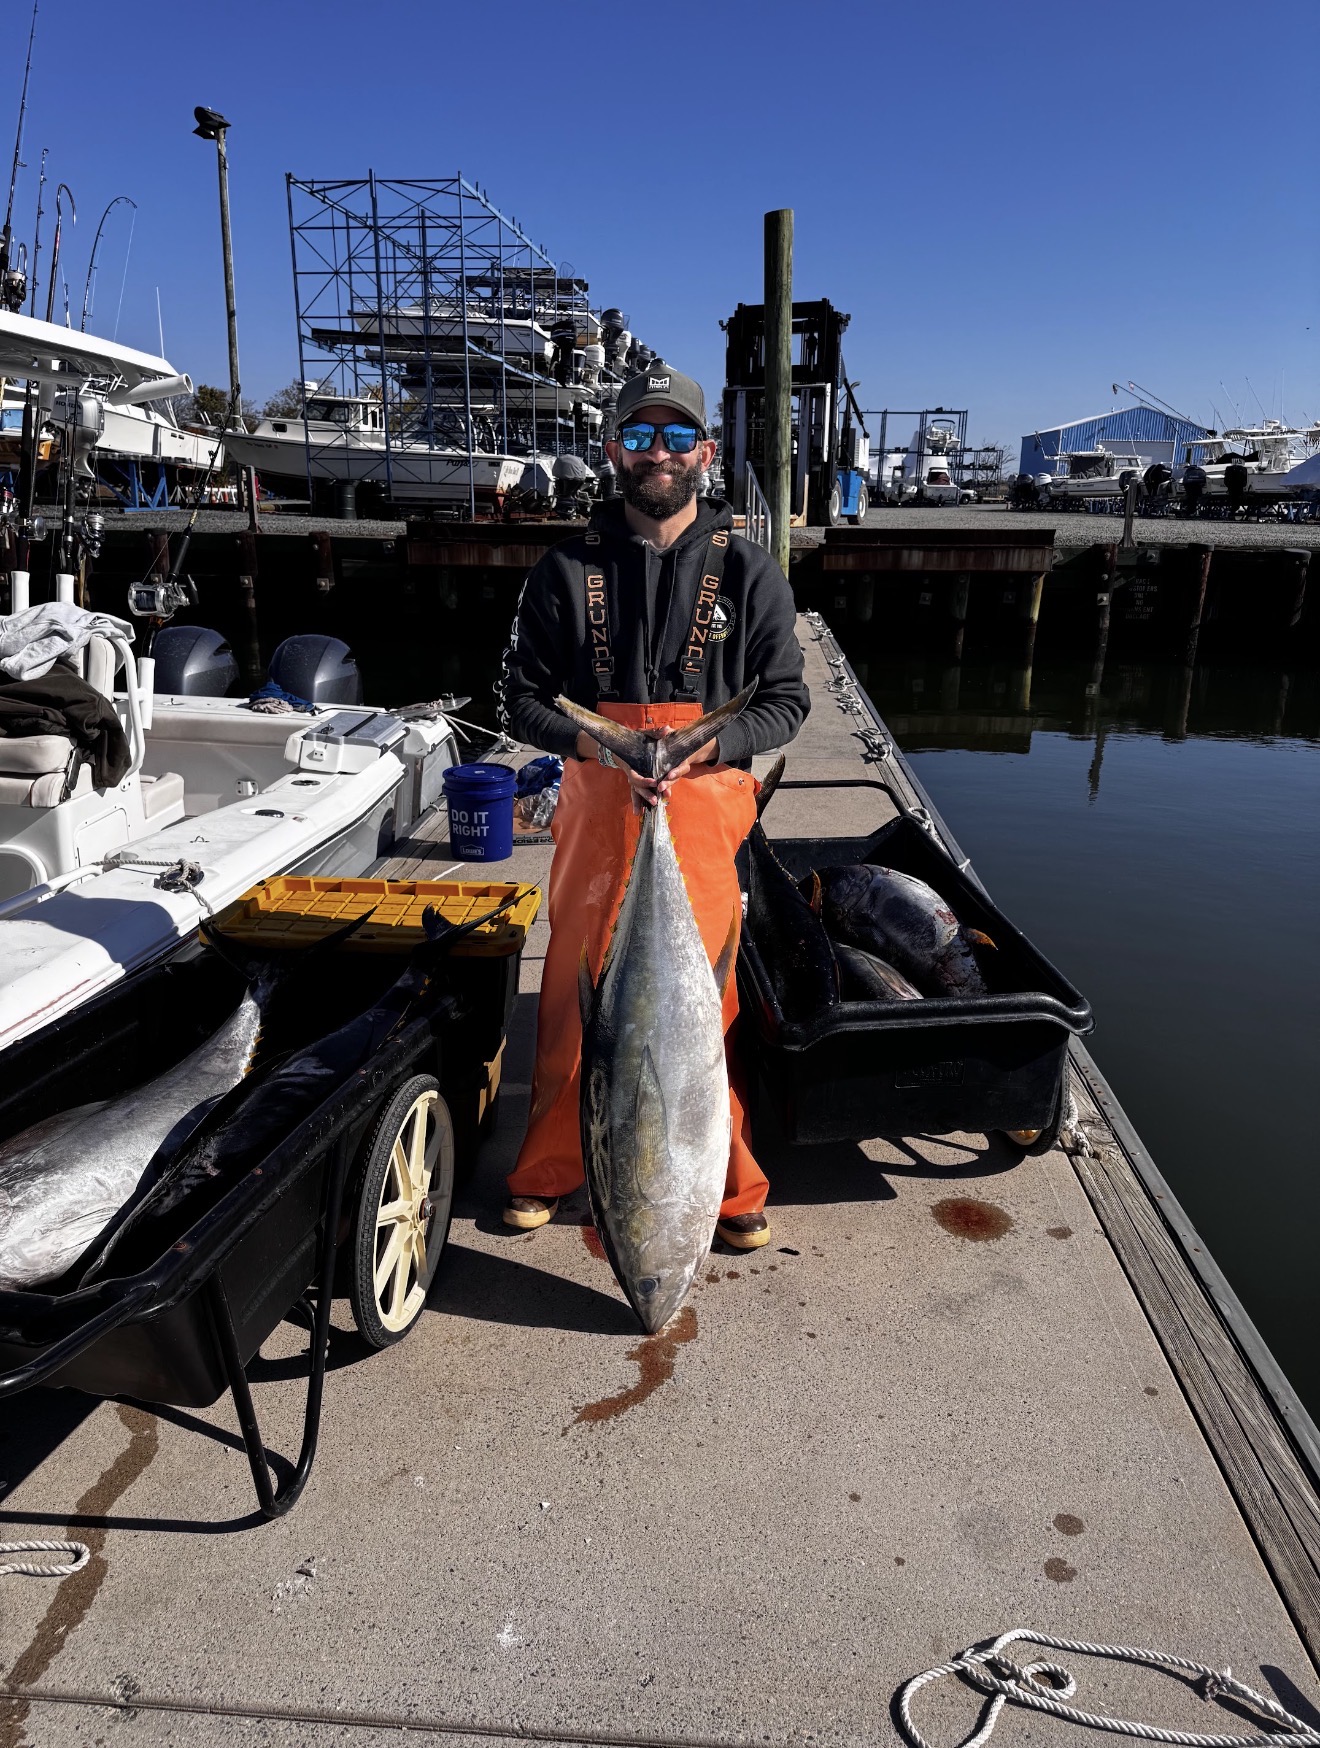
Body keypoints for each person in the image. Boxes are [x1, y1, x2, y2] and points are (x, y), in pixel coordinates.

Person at [499, 361, 809, 1250]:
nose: (658, 454)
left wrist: (699, 749)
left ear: (705, 452)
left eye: (677, 438)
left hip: (703, 809)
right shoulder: (564, 570)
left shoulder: (751, 571)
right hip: (599, 804)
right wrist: (604, 747)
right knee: (571, 993)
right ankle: (551, 1166)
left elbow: (785, 703)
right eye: (640, 436)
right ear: (611, 451)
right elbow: (521, 700)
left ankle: (724, 1177)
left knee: (708, 1006)